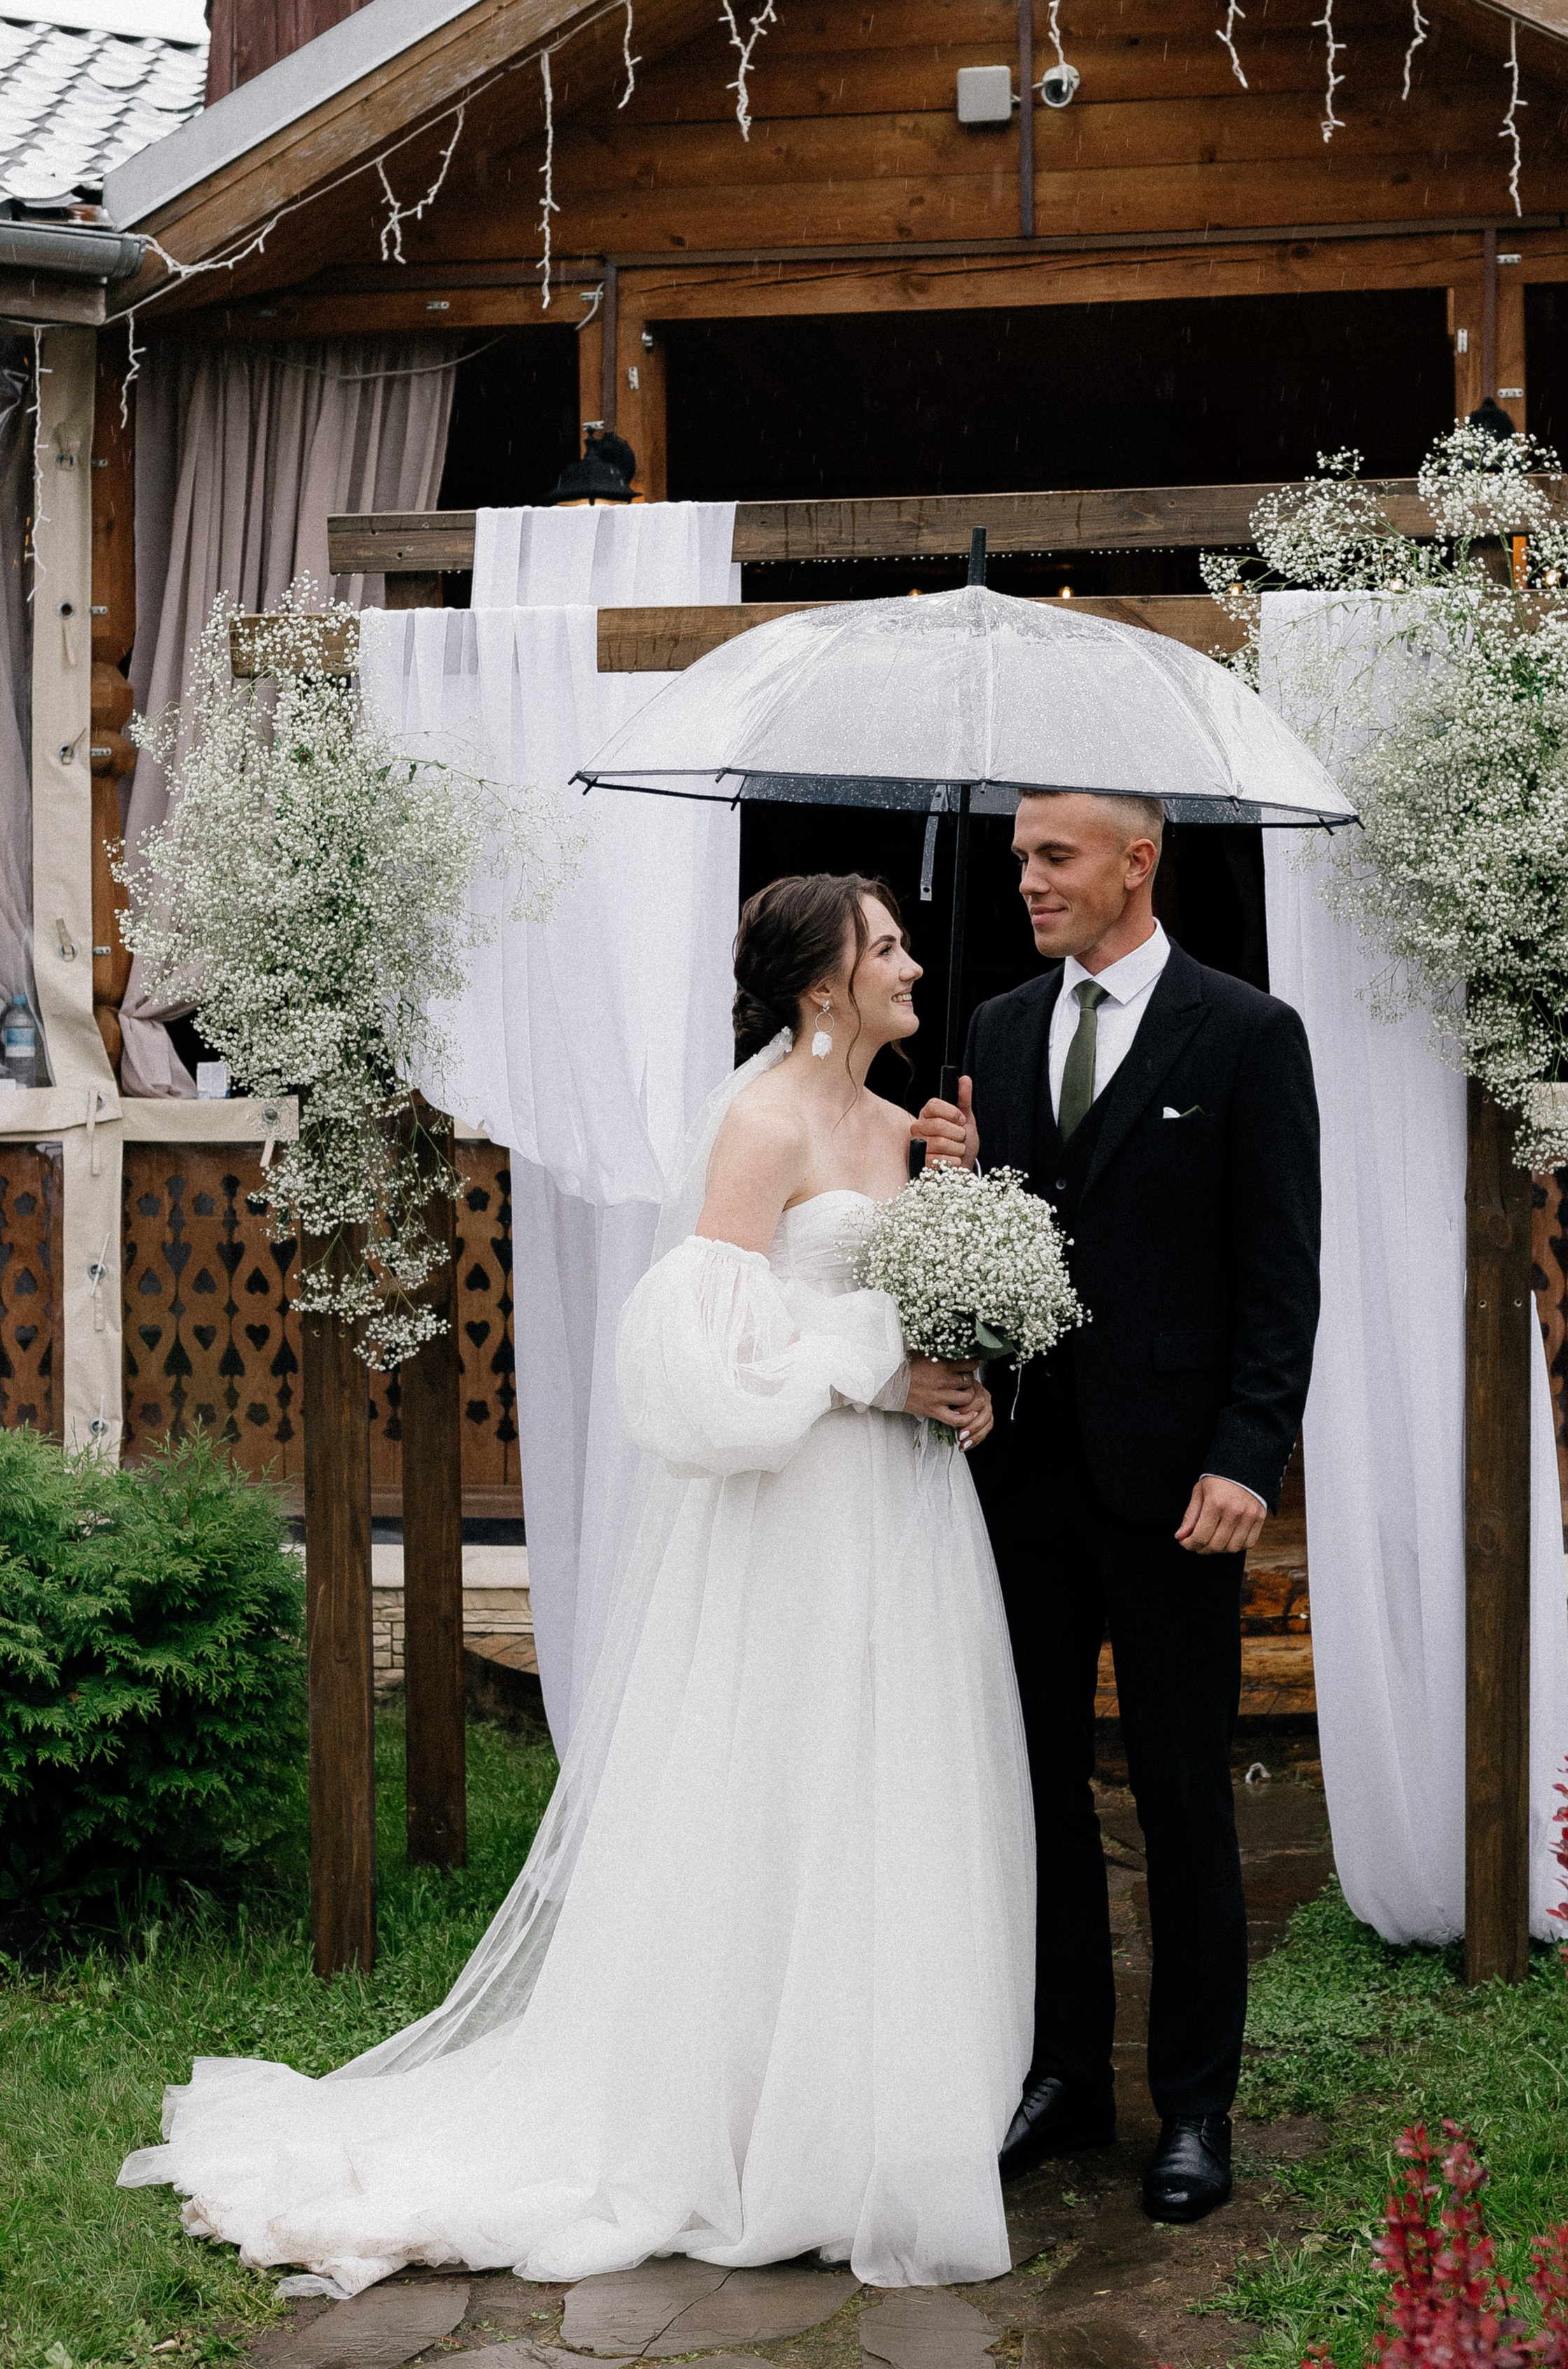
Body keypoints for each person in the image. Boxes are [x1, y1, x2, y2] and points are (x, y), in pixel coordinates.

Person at [120, 872, 1033, 2292]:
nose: (913, 964)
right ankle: (727, 2122)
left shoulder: (900, 1125)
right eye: (886, 948)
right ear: (819, 985)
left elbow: (902, 1311)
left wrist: (954, 1347)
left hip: (899, 1518)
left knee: (877, 1790)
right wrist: (873, 1366)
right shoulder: (763, 1119)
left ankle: (857, 2120)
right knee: (775, 1788)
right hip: (795, 1520)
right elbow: (692, 1368)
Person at [917, 791, 1320, 2228]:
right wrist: (953, 1200)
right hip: (1018, 1474)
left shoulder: (1246, 1035)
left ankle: (1193, 2107)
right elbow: (999, 1243)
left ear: (1135, 862)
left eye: (1053, 857)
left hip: (1174, 1495)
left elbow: (1279, 1280)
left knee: (1180, 1795)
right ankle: (1063, 2077)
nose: (1024, 880)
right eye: (1019, 857)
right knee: (1029, 1790)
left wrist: (1245, 1458)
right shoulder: (998, 1031)